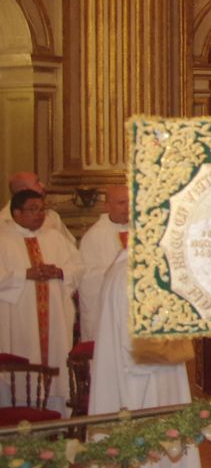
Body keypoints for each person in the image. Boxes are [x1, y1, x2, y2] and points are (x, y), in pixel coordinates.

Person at [77, 251, 211, 468]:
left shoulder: (143, 268)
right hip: (142, 390)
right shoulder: (133, 274)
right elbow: (145, 343)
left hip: (159, 385)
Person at [0, 189, 83, 412]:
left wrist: (60, 271)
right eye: (32, 209)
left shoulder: (54, 237)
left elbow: (78, 267)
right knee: (20, 368)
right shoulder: (3, 238)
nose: (39, 214)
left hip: (54, 318)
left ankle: (56, 419)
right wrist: (24, 275)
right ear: (16, 212)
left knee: (55, 362)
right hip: (18, 319)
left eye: (41, 209)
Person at [77, 184, 130, 341]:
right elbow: (85, 278)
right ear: (107, 206)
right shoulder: (94, 236)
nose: (128, 207)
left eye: (130, 202)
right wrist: (118, 276)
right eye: (122, 203)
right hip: (109, 309)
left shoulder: (143, 231)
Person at [0, 172, 77, 245]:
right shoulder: (4, 221)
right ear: (23, 190)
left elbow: (70, 247)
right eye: (37, 182)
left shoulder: (52, 216)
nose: (43, 185)